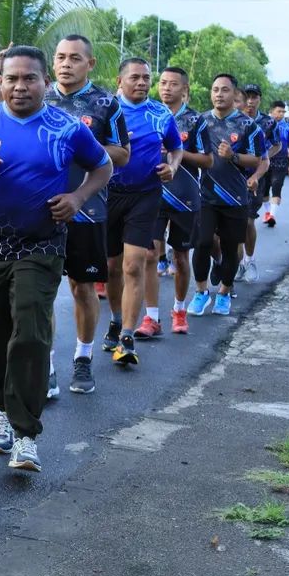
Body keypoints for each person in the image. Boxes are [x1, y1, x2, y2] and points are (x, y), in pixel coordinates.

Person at [0, 46, 112, 471]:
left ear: (45, 82)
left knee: (30, 332)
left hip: (42, 244)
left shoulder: (66, 127)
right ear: (0, 81)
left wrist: (77, 196)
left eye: (29, 78)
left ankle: (26, 433)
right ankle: (3, 410)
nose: (19, 86)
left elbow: (102, 167)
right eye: (10, 78)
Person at [43, 35, 129, 394]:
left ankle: (83, 358)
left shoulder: (107, 104)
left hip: (88, 210)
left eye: (75, 58)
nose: (66, 63)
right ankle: (44, 366)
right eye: (61, 57)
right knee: (42, 290)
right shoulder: (39, 97)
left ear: (90, 63)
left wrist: (80, 147)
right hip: (42, 210)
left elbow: (122, 154)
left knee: (82, 287)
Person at [102, 59, 183, 366]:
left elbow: (175, 147)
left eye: (146, 78)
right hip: (108, 194)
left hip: (145, 195)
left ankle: (127, 336)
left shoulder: (161, 114)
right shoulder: (106, 111)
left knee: (134, 265)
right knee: (112, 266)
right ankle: (115, 318)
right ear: (119, 80)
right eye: (134, 77)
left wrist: (172, 167)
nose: (141, 83)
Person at [136, 66, 208, 338]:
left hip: (186, 198)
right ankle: (151, 317)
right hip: (152, 194)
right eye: (163, 83)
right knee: (150, 254)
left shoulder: (195, 120)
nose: (166, 88)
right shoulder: (148, 112)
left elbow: (208, 160)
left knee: (180, 256)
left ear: (184, 89)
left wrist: (177, 154)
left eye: (173, 84)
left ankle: (179, 309)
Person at [189, 74, 267, 317]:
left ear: (235, 95)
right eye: (215, 90)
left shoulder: (248, 126)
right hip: (206, 196)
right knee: (202, 243)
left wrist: (233, 155)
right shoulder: (200, 121)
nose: (219, 94)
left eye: (224, 90)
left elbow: (257, 160)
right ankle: (201, 292)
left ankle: (223, 293)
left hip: (235, 198)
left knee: (231, 247)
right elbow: (186, 151)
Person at [237, 84, 280, 282]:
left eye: (254, 97)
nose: (250, 101)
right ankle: (234, 262)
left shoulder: (268, 123)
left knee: (247, 221)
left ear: (260, 99)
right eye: (247, 97)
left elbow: (277, 145)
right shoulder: (234, 119)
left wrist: (263, 158)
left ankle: (249, 259)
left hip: (255, 176)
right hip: (231, 175)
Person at [257, 100, 289, 227]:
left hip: (281, 161)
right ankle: (268, 212)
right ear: (272, 111)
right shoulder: (264, 125)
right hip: (266, 160)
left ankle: (272, 215)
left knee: (276, 187)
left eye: (283, 112)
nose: (281, 114)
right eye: (279, 111)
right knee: (264, 191)